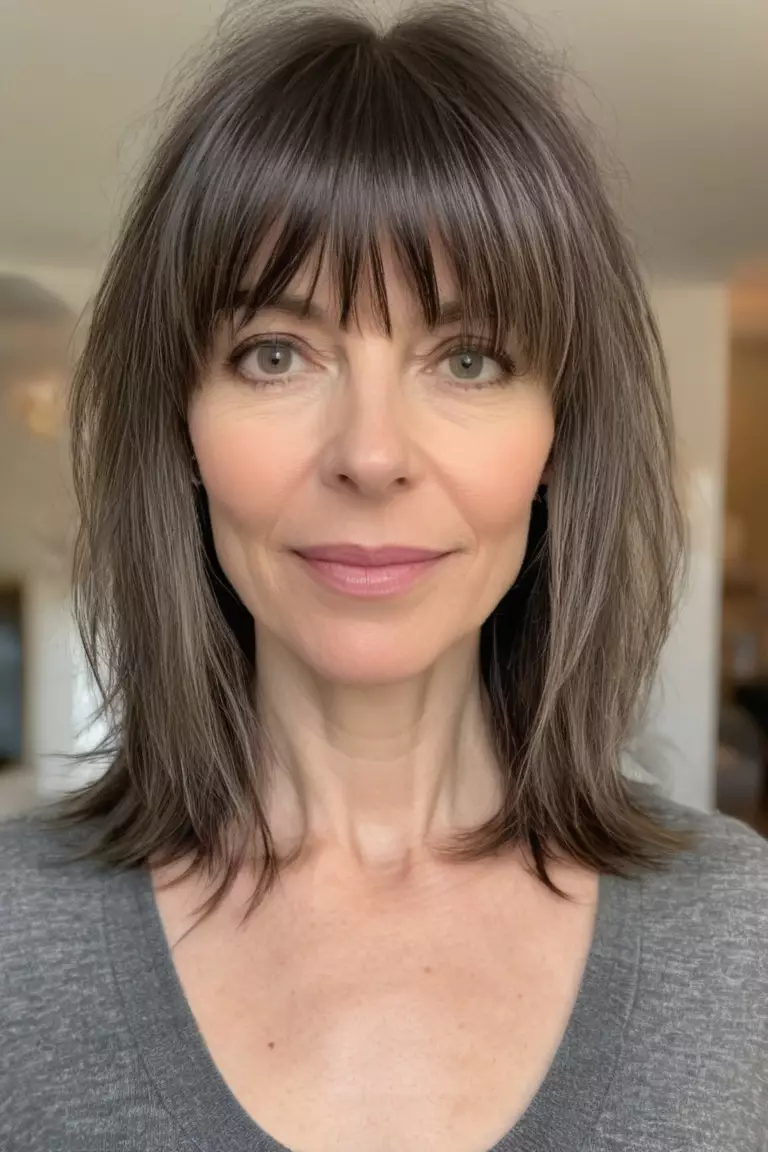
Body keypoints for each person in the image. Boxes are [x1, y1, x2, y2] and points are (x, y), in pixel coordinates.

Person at [1, 3, 766, 1150]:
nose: (370, 453)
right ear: (184, 431)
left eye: (466, 357)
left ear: (558, 440)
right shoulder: (14, 937)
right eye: (277, 353)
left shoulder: (742, 934)